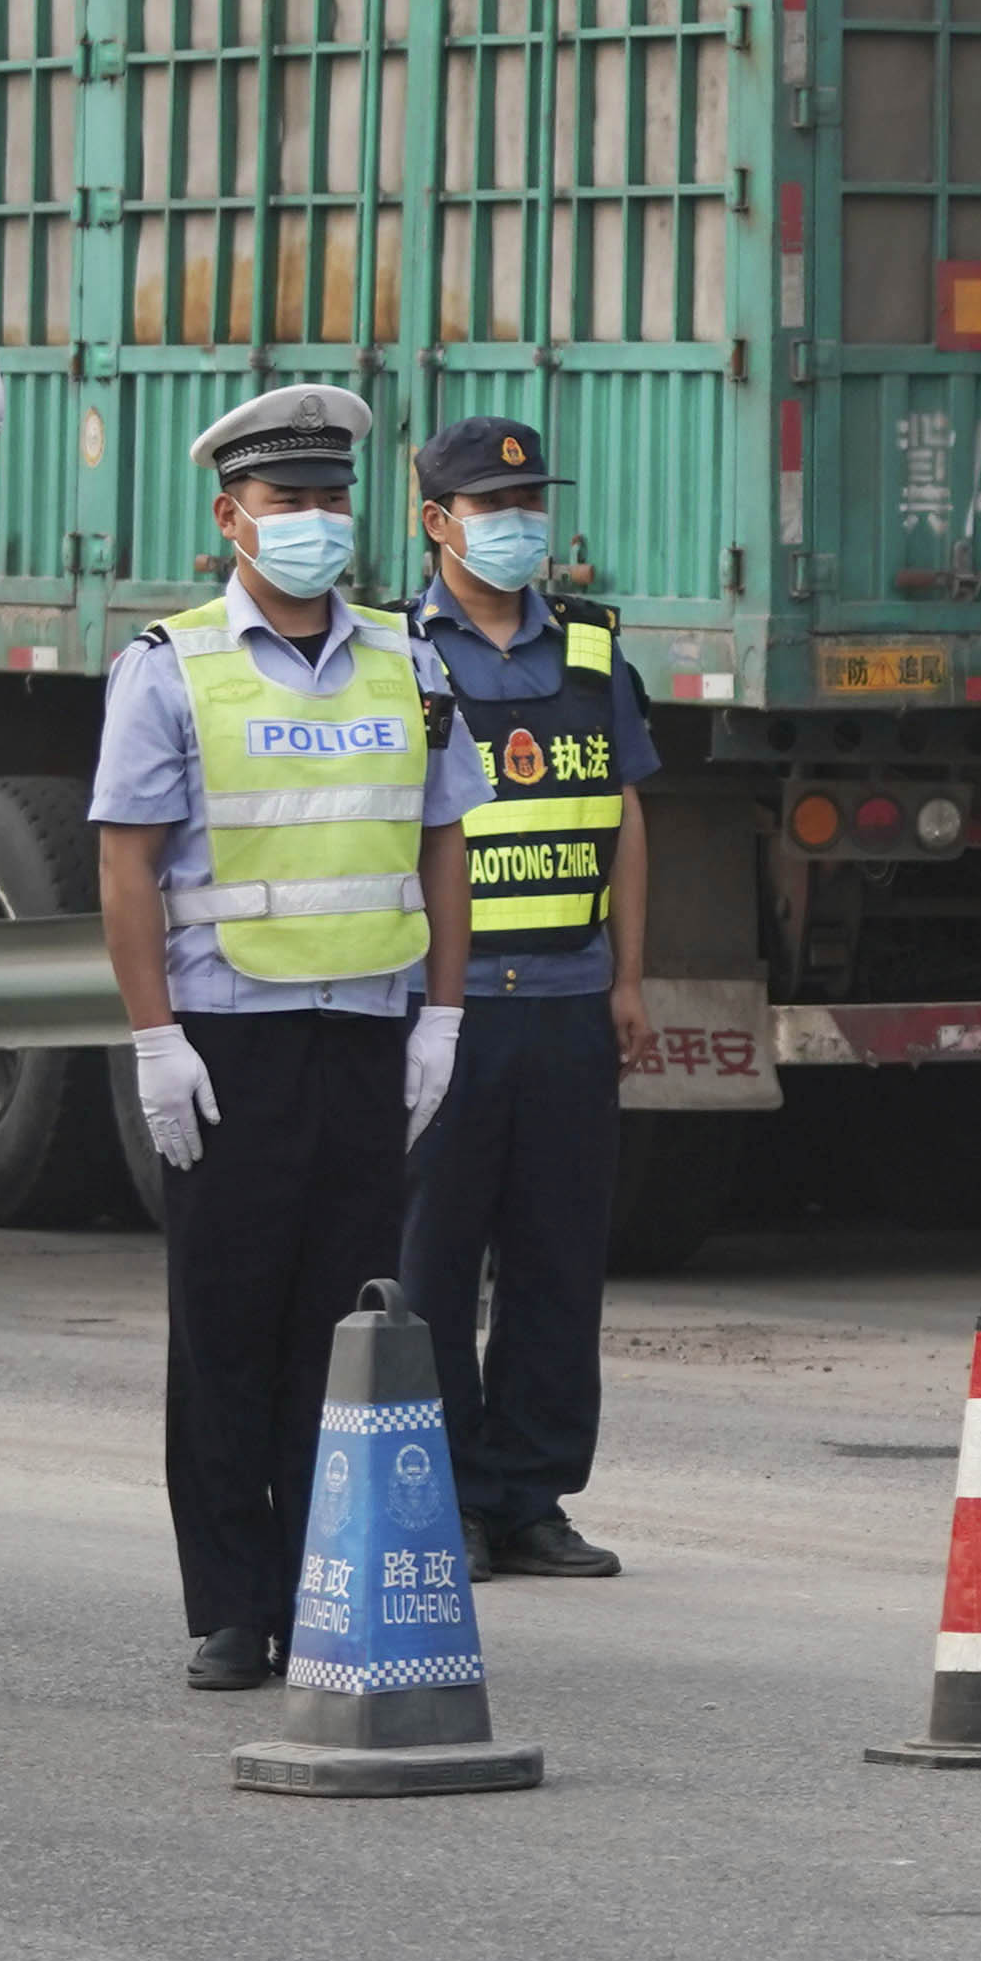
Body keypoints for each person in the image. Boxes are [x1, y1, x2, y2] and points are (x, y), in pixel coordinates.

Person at [94, 385, 482, 1691]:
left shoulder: (408, 663)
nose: (313, 521)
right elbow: (127, 867)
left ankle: (331, 1585)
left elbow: (441, 842)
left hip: (368, 1038)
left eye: (329, 498)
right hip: (228, 1039)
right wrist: (154, 1038)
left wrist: (443, 1015)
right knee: (224, 1332)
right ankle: (230, 1606)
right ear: (231, 516)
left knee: (349, 1327)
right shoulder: (170, 665)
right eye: (286, 500)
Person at [395, 413, 658, 1580]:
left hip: (567, 998)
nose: (516, 525)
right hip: (447, 1008)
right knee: (433, 1260)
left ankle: (532, 1494)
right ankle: (443, 1493)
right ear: (436, 522)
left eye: (527, 505)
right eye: (491, 508)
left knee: (557, 1259)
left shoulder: (595, 651)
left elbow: (631, 818)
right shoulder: (396, 652)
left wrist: (631, 974)